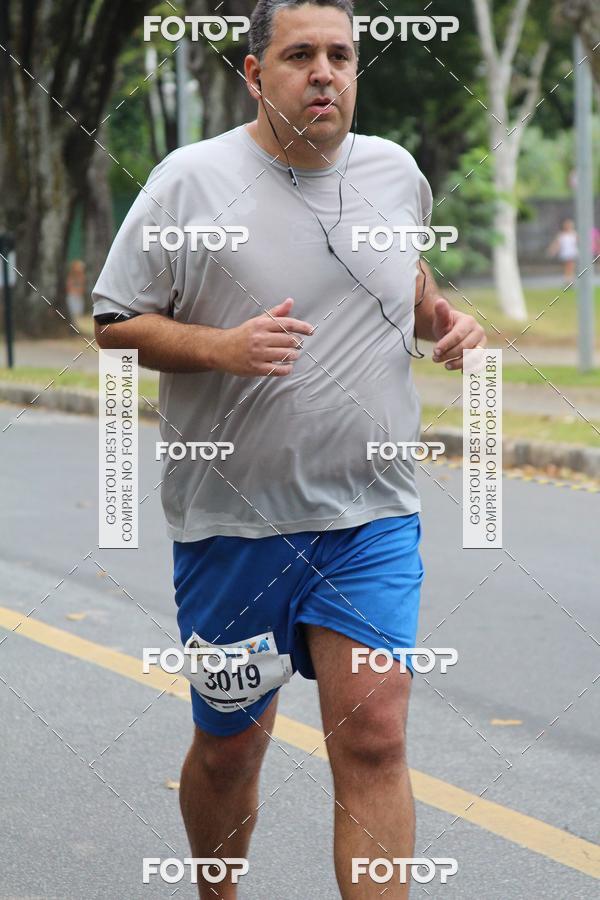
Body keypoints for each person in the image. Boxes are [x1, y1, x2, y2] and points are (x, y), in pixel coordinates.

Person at [93, 1, 485, 896]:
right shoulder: (190, 182)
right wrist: (219, 348)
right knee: (231, 749)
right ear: (252, 72)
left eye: (341, 56)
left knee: (376, 736)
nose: (325, 73)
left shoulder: (393, 173)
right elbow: (116, 323)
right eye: (300, 54)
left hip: (372, 516)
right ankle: (217, 889)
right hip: (234, 524)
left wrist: (444, 322)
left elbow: (408, 276)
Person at [547, 218, 578, 283]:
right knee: (567, 266)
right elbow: (557, 244)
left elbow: (578, 242)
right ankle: (567, 279)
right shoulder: (561, 234)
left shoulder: (574, 234)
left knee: (571, 265)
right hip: (565, 252)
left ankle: (570, 279)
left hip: (572, 252)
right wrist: (552, 250)